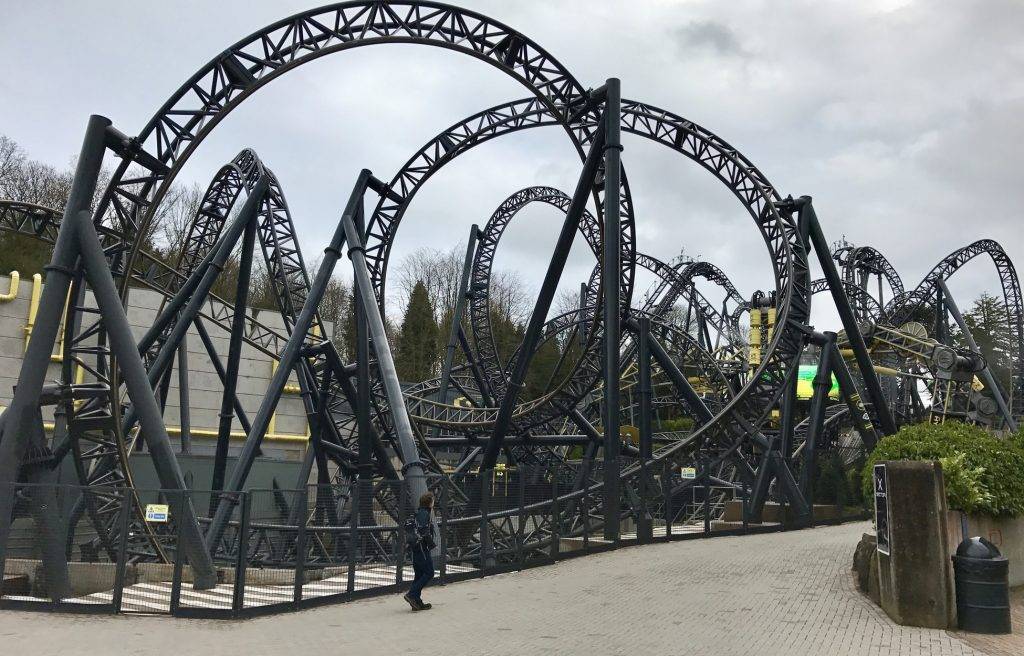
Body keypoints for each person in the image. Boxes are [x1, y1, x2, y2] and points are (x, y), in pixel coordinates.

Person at [403, 492, 436, 611]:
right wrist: (431, 544)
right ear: (430, 502)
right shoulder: (424, 513)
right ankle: (411, 595)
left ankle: (417, 602)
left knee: (419, 575)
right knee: (429, 572)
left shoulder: (419, 512)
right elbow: (423, 531)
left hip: (416, 548)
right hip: (422, 548)